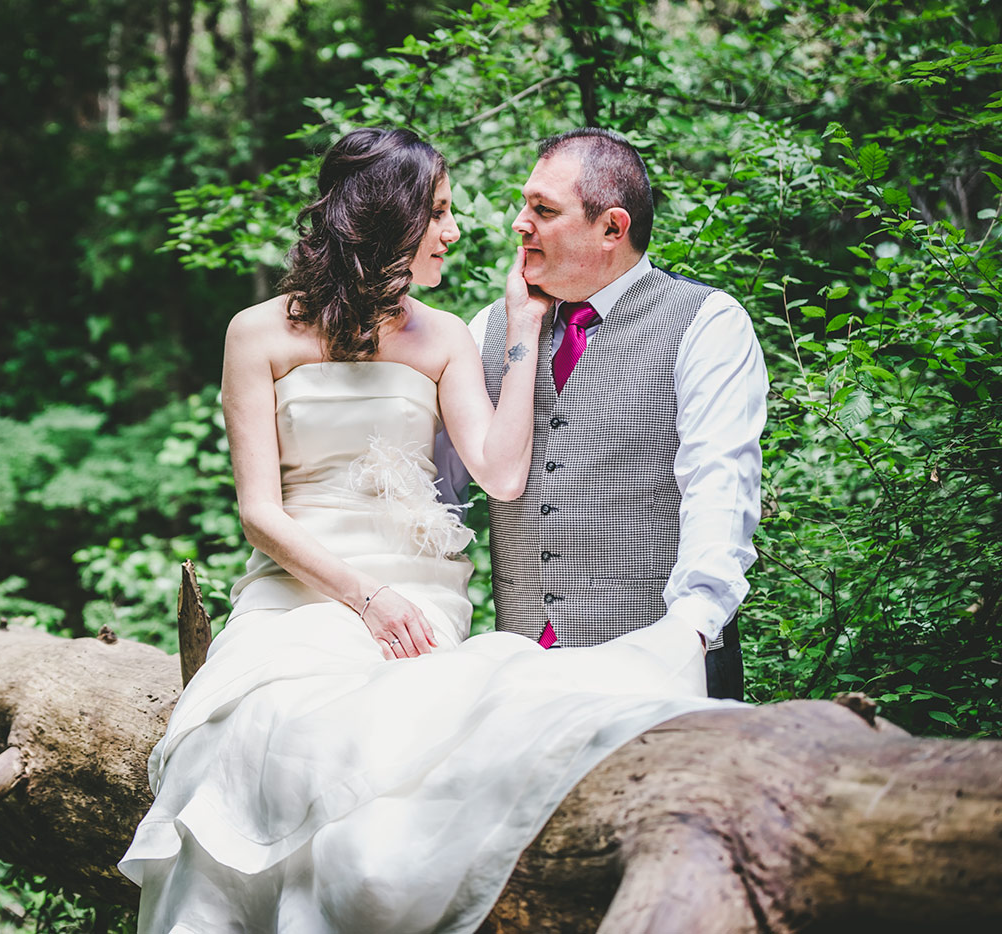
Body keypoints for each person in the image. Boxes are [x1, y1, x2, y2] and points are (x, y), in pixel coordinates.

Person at [118, 128, 736, 934]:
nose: (455, 229)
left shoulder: (447, 334)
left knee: (396, 745)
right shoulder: (255, 333)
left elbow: (501, 475)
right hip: (297, 593)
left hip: (418, 597)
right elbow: (259, 513)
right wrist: (364, 599)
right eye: (438, 212)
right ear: (386, 218)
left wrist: (520, 331)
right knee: (258, 731)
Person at [436, 128, 768, 701]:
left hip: (666, 669)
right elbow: (438, 502)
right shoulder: (482, 331)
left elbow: (721, 484)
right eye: (524, 203)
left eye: (543, 209)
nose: (520, 222)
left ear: (613, 228)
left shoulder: (707, 322)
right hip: (519, 681)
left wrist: (688, 633)